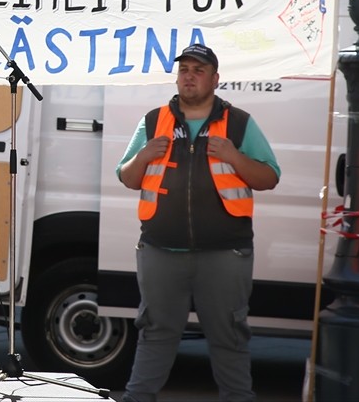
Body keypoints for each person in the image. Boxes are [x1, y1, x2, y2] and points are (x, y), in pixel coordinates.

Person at [116, 44, 281, 402]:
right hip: (160, 251)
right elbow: (128, 178)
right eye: (184, 70)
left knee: (229, 337)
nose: (189, 76)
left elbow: (269, 178)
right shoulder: (153, 120)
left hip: (225, 253)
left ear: (215, 79)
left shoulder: (238, 123)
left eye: (198, 70)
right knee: (155, 333)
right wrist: (144, 155)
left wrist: (234, 156)